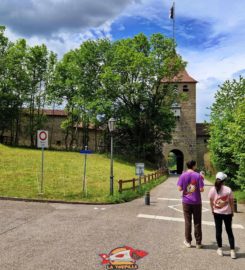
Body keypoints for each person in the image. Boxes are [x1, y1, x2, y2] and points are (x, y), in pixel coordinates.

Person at [208, 172, 236, 259]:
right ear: (224, 180)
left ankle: (220, 249)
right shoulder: (228, 189)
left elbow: (211, 200)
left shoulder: (212, 189)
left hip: (217, 213)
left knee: (218, 231)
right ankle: (232, 251)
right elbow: (231, 201)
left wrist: (212, 209)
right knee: (229, 231)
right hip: (227, 213)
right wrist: (232, 211)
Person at [177, 160, 204, 248]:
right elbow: (201, 190)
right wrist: (201, 178)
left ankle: (188, 241)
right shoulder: (198, 175)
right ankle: (198, 243)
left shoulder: (183, 175)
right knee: (197, 222)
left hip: (186, 202)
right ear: (194, 166)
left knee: (187, 222)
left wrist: (187, 188)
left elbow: (179, 189)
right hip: (196, 202)